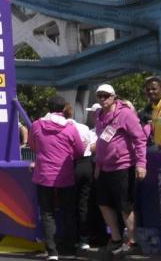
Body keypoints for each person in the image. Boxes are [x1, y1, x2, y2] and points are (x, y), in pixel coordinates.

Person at [93, 83, 146, 257]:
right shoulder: (99, 115)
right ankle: (115, 238)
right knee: (103, 203)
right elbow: (101, 143)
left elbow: (140, 138)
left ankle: (132, 241)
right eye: (99, 96)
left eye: (105, 95)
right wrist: (99, 165)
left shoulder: (125, 114)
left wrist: (141, 164)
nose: (102, 99)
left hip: (123, 165)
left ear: (114, 96)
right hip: (105, 167)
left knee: (125, 206)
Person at [29, 96, 85, 260]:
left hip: (43, 175)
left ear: (48, 107)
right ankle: (69, 248)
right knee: (68, 211)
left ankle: (52, 251)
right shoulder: (70, 127)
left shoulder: (37, 125)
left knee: (47, 213)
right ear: (63, 109)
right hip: (65, 174)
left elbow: (33, 146)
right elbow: (80, 151)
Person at [65, 102, 101, 251]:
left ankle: (74, 239)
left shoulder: (63, 127)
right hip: (87, 166)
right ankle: (84, 239)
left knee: (70, 204)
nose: (92, 115)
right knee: (84, 204)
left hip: (73, 164)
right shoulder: (86, 128)